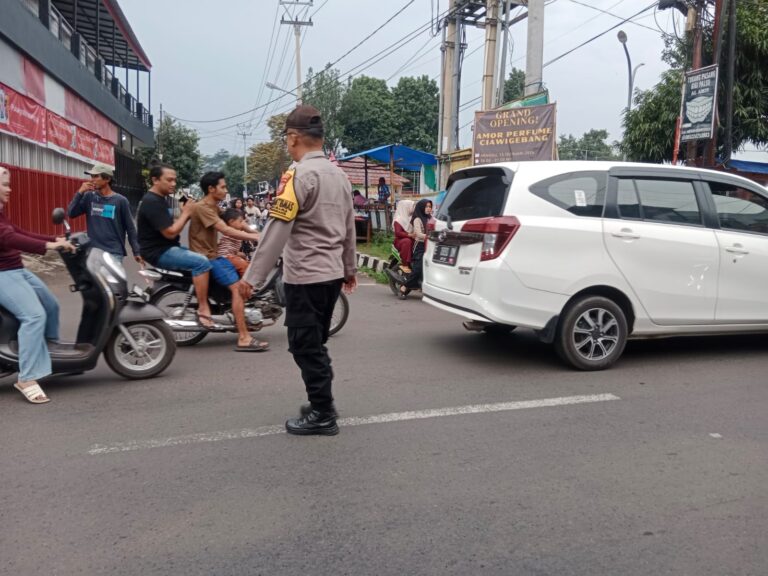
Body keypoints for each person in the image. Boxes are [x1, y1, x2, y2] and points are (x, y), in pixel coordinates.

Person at [241, 105, 357, 436]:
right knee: (315, 342)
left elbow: (276, 229)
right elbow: (349, 229)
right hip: (331, 276)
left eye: (286, 140)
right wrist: (349, 269)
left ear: (293, 138)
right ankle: (322, 403)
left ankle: (322, 412)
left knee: (305, 345)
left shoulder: (298, 176)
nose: (286, 146)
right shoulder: (340, 176)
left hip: (306, 276)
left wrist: (251, 278)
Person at [0, 166, 75, 403]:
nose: (9, 189)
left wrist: (54, 239)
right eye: (5, 184)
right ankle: (27, 377)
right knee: (34, 316)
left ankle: (49, 355)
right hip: (3, 274)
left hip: (16, 270)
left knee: (51, 305)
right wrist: (48, 247)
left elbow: (20, 231)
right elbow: (9, 238)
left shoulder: (1, 213)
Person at [190, 171, 267, 352]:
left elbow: (236, 222)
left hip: (213, 255)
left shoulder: (215, 207)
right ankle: (244, 337)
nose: (226, 191)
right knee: (239, 289)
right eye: (223, 187)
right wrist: (257, 237)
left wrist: (255, 232)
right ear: (211, 189)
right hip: (209, 257)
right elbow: (228, 230)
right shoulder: (203, 208)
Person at [136, 163, 217, 328]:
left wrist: (185, 212)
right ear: (155, 180)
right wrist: (186, 213)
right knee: (201, 262)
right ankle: (203, 308)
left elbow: (170, 224)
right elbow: (170, 232)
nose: (173, 184)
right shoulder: (152, 201)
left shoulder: (161, 199)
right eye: (169, 180)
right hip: (160, 251)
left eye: (175, 180)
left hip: (167, 248)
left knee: (208, 257)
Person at [67, 163, 141, 263]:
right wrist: (80, 192)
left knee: (112, 279)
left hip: (114, 253)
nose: (92, 179)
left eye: (96, 176)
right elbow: (71, 213)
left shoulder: (120, 201)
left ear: (107, 179)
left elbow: (130, 228)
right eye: (91, 176)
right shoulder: (89, 197)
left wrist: (136, 251)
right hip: (93, 252)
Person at [398, 199, 432, 299]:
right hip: (420, 246)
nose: (429, 208)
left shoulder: (431, 219)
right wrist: (429, 236)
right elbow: (418, 234)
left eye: (430, 206)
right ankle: (404, 287)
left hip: (429, 246)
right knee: (418, 269)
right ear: (421, 207)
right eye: (426, 206)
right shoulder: (417, 219)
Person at [218, 209, 251, 276]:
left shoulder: (237, 231)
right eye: (240, 221)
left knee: (248, 262)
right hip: (225, 257)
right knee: (245, 267)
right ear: (231, 222)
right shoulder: (229, 232)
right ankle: (246, 284)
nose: (243, 224)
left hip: (231, 256)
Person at [392, 199, 415, 274]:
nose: (412, 208)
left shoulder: (410, 218)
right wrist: (409, 235)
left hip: (410, 238)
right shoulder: (398, 219)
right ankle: (405, 264)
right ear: (405, 207)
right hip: (400, 241)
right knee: (407, 241)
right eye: (411, 206)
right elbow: (397, 233)